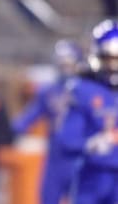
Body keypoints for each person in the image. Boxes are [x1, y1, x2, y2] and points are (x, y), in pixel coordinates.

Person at [12, 39, 84, 204]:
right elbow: (30, 116)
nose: (66, 68)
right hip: (55, 156)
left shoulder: (86, 92)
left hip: (80, 156)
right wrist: (12, 130)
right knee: (47, 197)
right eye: (62, 63)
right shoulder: (49, 91)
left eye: (69, 63)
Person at [59, 19, 118, 204]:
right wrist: (90, 144)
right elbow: (67, 140)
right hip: (93, 178)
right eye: (109, 59)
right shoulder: (84, 89)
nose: (114, 66)